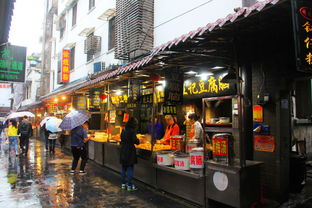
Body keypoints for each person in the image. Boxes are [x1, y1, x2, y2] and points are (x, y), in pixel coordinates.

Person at [120, 117, 140, 191]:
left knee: (123, 168)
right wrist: (138, 140)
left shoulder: (124, 130)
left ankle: (123, 184)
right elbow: (136, 141)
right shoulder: (132, 131)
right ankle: (129, 185)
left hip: (123, 150)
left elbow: (121, 138)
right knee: (130, 168)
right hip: (130, 151)